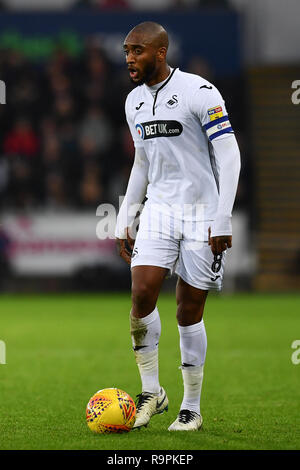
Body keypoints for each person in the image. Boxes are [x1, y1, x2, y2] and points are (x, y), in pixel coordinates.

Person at [115, 21, 241, 431]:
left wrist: (223, 217)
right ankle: (152, 391)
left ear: (161, 52)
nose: (130, 58)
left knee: (189, 309)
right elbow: (143, 162)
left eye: (137, 51)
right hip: (160, 211)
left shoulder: (199, 92)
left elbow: (230, 154)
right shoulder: (134, 101)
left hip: (202, 214)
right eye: (127, 51)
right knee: (141, 293)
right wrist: (126, 216)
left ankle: (191, 406)